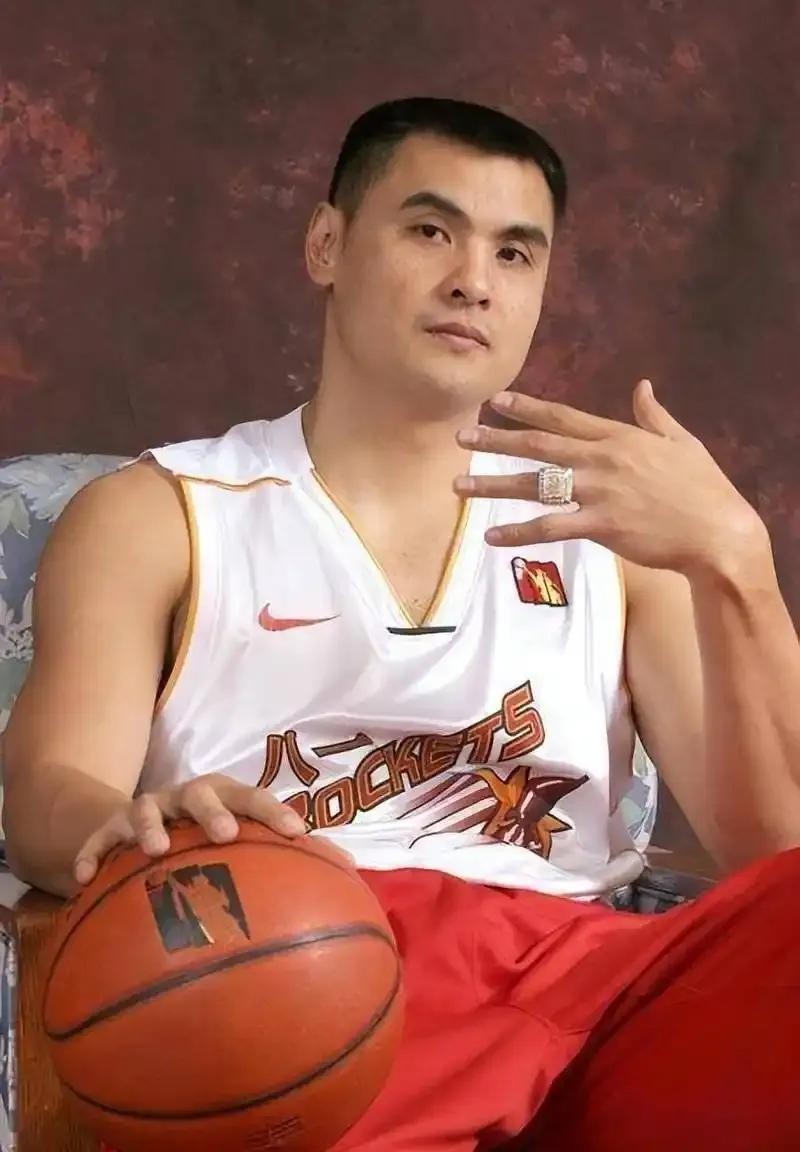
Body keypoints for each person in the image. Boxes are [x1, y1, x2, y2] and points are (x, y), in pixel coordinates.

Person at [3, 97, 800, 1151]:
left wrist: (736, 560)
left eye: (514, 253)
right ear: (326, 245)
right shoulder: (163, 513)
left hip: (589, 989)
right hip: (309, 974)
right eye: (431, 230)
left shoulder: (612, 533)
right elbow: (46, 797)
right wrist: (137, 832)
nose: (473, 279)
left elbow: (772, 853)